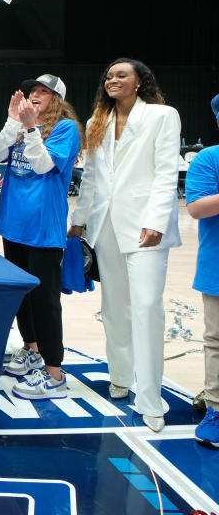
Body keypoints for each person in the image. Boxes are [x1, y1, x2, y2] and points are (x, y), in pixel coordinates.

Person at [69, 58, 180, 432]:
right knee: (114, 307)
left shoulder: (163, 116)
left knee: (147, 307)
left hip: (146, 226)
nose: (112, 80)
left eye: (121, 75)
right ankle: (120, 376)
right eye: (109, 76)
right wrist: (79, 220)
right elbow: (92, 179)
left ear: (139, 82)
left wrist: (156, 220)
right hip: (106, 227)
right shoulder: (96, 122)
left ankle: (150, 399)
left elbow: (167, 172)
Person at [0, 75, 81, 399]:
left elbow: (42, 166)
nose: (36, 95)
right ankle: (31, 349)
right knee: (22, 296)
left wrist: (30, 129)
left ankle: (54, 374)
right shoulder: (21, 126)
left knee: (45, 301)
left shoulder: (66, 129)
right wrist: (13, 121)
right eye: (33, 91)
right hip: (14, 223)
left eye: (44, 91)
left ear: (57, 99)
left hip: (43, 228)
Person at [187, 93, 219, 448]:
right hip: (217, 267)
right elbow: (197, 208)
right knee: (217, 342)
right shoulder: (210, 159)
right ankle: (216, 408)